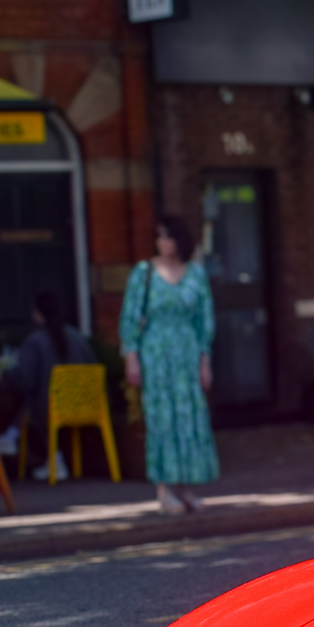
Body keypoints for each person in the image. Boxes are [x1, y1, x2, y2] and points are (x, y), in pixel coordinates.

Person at [122, 215, 219, 514]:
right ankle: (164, 490)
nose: (163, 242)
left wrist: (205, 360)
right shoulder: (144, 273)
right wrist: (131, 357)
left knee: (190, 419)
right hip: (156, 355)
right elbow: (130, 317)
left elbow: (204, 320)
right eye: (159, 236)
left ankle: (186, 487)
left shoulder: (196, 275)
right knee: (161, 420)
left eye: (168, 236)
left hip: (187, 355)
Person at [6, 289, 97, 473]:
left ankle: (15, 437)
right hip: (88, 405)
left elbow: (26, 380)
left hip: (53, 409)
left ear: (38, 314)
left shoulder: (36, 341)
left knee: (32, 399)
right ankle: (18, 439)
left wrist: (5, 376)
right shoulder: (77, 337)